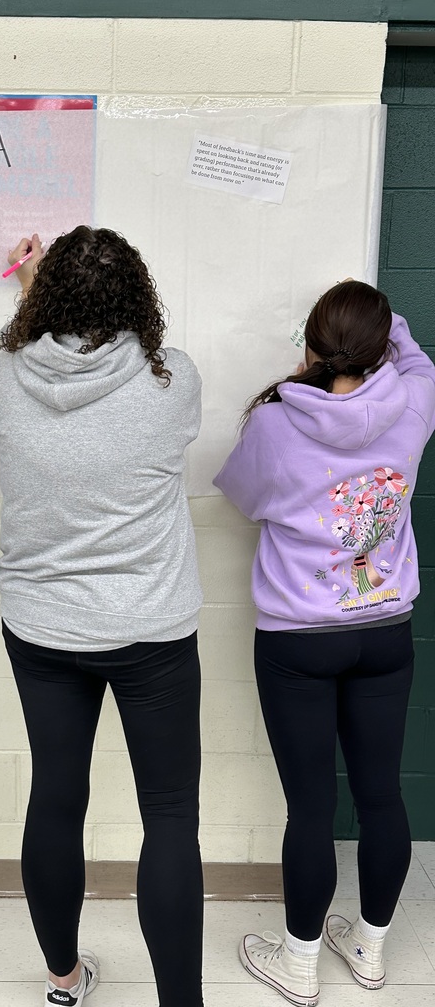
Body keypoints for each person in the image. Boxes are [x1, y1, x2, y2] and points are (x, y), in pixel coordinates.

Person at [0, 227, 205, 1007]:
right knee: (169, 816)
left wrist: (29, 294)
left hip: (43, 629)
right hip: (151, 630)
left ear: (46, 299)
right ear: (139, 298)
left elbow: (16, 387)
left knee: (56, 794)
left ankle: (63, 981)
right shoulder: (173, 379)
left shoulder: (6, 376)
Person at [214, 280, 435, 1006]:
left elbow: (244, 499)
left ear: (309, 344)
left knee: (310, 808)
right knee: (382, 797)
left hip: (299, 641)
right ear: (381, 348)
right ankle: (369, 951)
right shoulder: (416, 401)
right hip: (384, 632)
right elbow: (416, 358)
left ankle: (300, 964)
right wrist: (388, 329)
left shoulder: (276, 424)